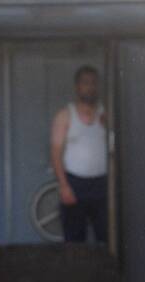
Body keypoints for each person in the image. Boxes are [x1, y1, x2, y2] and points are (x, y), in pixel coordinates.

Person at [50, 65, 108, 243]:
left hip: (102, 183)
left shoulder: (106, 114)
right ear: (77, 87)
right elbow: (55, 152)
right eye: (85, 83)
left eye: (93, 83)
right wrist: (64, 185)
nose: (90, 87)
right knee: (74, 239)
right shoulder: (65, 115)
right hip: (74, 183)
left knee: (105, 237)